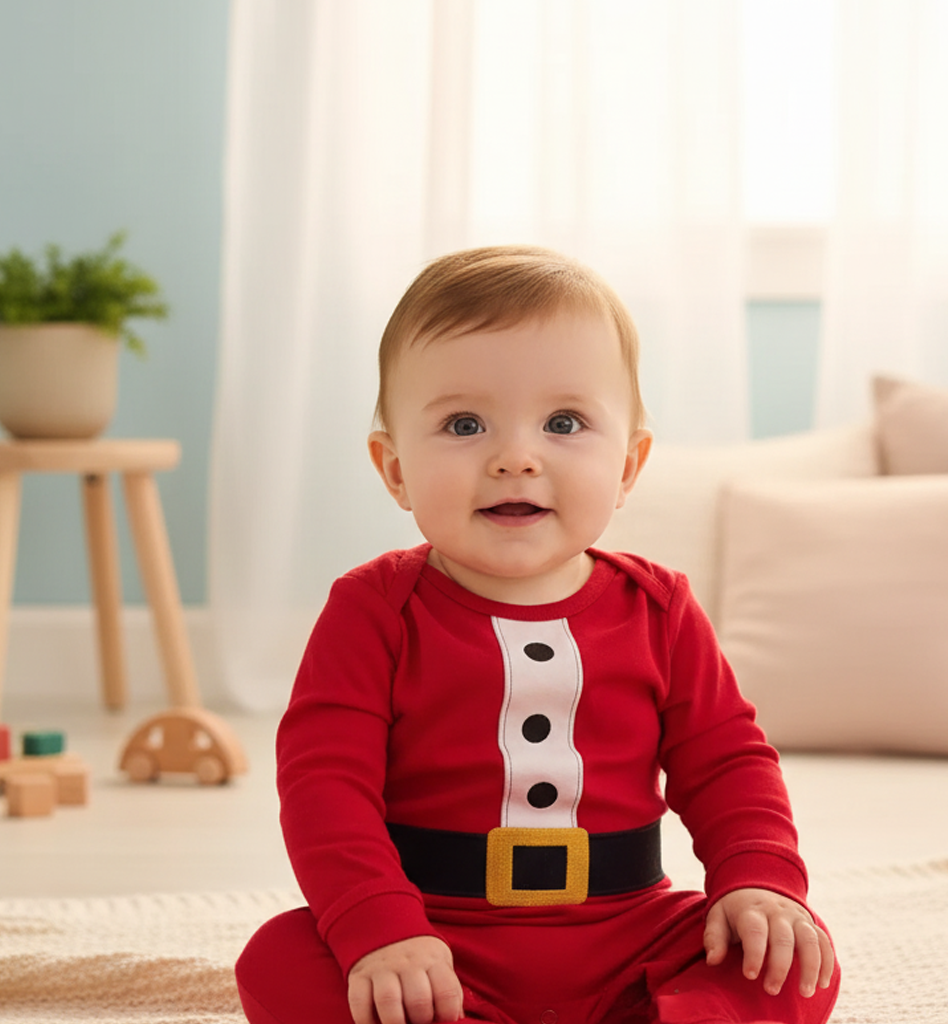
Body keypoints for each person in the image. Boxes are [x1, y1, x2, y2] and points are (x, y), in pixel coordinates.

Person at [235, 246, 839, 1024]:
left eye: (563, 423)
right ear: (395, 470)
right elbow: (324, 786)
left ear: (629, 466)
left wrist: (759, 879)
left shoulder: (660, 610)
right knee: (280, 959)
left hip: (631, 935)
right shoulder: (372, 610)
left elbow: (727, 761)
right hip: (433, 940)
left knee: (792, 960)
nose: (515, 458)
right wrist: (380, 931)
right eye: (464, 424)